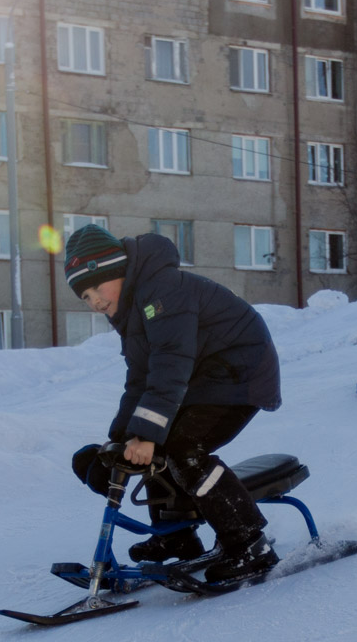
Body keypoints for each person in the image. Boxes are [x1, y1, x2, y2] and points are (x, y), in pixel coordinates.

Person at [63, 224, 282, 583]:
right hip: (204, 377)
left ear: (118, 270)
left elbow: (170, 364)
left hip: (241, 371)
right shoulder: (133, 311)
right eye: (85, 297)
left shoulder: (161, 291)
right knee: (153, 443)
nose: (95, 301)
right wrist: (121, 439)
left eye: (97, 288)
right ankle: (177, 535)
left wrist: (147, 433)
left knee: (182, 447)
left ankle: (250, 543)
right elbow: (140, 381)